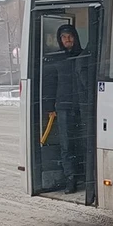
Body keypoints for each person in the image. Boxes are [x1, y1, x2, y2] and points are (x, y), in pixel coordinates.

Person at [43, 24, 85, 194]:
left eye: (70, 36)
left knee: (84, 143)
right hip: (63, 108)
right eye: (63, 37)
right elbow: (50, 85)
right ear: (60, 40)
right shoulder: (57, 59)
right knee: (66, 146)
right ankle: (71, 179)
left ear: (75, 37)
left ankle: (86, 177)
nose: (67, 40)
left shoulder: (84, 55)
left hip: (83, 107)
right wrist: (49, 107)